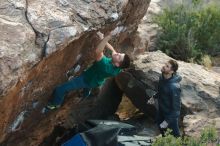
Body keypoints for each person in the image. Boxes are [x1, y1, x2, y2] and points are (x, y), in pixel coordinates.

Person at [46, 32, 131, 110]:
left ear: (117, 64)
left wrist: (106, 38)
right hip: (97, 80)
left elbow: (98, 51)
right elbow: (113, 50)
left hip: (86, 79)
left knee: (60, 89)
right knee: (89, 86)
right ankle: (86, 92)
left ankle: (56, 104)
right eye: (120, 53)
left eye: (119, 56)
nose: (118, 53)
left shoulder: (105, 66)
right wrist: (103, 39)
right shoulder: (118, 66)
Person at [148, 60, 182, 137]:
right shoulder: (162, 77)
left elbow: (176, 109)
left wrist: (167, 121)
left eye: (167, 66)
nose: (164, 66)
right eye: (165, 64)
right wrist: (154, 97)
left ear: (171, 71)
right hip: (161, 112)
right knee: (163, 134)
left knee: (175, 138)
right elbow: (161, 91)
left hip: (170, 117)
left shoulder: (174, 87)